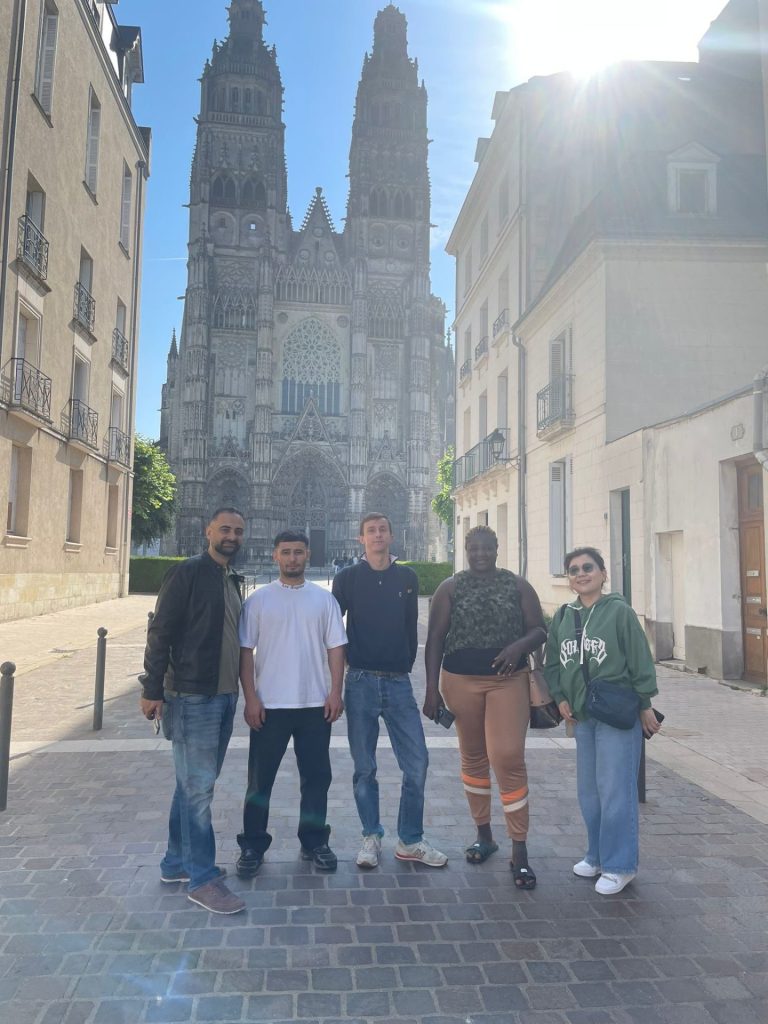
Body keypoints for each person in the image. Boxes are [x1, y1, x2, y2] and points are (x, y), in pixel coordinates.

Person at [425, 525, 547, 889]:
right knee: (474, 758)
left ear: (497, 548)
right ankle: (484, 834)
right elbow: (434, 638)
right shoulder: (450, 588)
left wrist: (518, 647)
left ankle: (520, 848)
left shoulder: (518, 585)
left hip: (507, 681)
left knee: (508, 757)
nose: (479, 554)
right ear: (465, 549)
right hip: (459, 681)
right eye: (473, 548)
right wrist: (431, 689)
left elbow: (539, 629)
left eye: (486, 548)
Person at [139, 507, 246, 915]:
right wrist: (152, 689)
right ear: (208, 532)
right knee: (199, 788)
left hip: (221, 695)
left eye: (237, 530)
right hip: (192, 695)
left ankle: (176, 862)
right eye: (225, 529)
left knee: (191, 784)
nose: (231, 536)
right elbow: (160, 630)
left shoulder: (231, 579)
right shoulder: (187, 572)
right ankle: (202, 879)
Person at [544, 546, 661, 896]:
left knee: (616, 791)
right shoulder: (564, 617)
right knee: (589, 792)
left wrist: (645, 704)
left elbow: (639, 660)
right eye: (574, 569)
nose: (581, 573)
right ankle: (595, 855)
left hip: (616, 714)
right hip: (582, 715)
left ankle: (620, 865)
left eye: (588, 567)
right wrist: (561, 697)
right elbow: (552, 664)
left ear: (603, 573)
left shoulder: (619, 612)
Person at [332, 513, 447, 869]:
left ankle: (410, 840)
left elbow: (412, 629)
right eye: (371, 531)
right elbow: (333, 630)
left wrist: (404, 664)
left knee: (417, 762)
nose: (377, 535)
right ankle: (371, 835)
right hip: (361, 682)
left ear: (391, 536)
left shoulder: (407, 577)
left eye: (383, 530)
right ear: (360, 539)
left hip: (398, 684)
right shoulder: (347, 578)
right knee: (364, 766)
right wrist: (345, 672)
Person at [236, 530, 346, 876]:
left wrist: (335, 692)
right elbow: (245, 652)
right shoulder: (259, 600)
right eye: (286, 552)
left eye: (298, 552)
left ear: (307, 555)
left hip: (315, 704)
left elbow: (336, 649)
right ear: (275, 556)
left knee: (316, 778)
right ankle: (253, 844)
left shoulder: (324, 600)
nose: (293, 558)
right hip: (270, 704)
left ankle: (314, 841)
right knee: (260, 781)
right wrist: (251, 698)